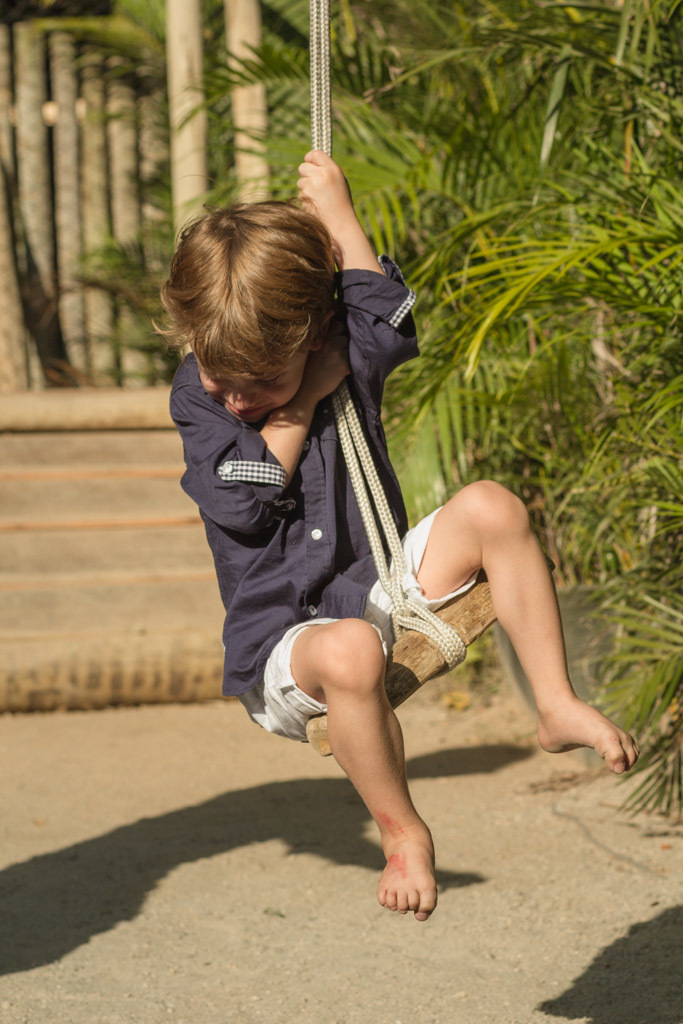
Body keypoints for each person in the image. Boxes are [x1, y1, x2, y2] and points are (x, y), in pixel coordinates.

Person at [162, 150, 639, 923]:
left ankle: (553, 702)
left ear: (315, 333)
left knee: (492, 506)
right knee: (349, 648)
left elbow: (387, 313)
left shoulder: (338, 352)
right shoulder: (199, 396)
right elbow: (242, 505)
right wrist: (293, 406)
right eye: (227, 380)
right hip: (287, 649)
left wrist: (341, 216)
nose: (240, 398)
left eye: (263, 382)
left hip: (378, 581)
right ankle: (402, 829)